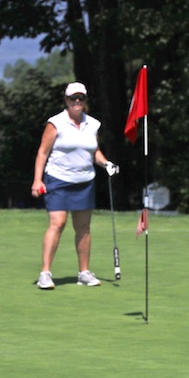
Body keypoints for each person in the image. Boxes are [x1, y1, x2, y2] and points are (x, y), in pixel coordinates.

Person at [31, 82, 120, 289]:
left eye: (80, 98)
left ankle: (84, 272)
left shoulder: (93, 124)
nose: (77, 102)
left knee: (83, 228)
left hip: (84, 181)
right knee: (58, 223)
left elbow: (93, 150)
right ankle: (45, 273)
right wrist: (37, 180)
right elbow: (42, 152)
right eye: (73, 98)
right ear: (66, 100)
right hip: (58, 180)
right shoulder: (56, 123)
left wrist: (105, 163)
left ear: (85, 100)